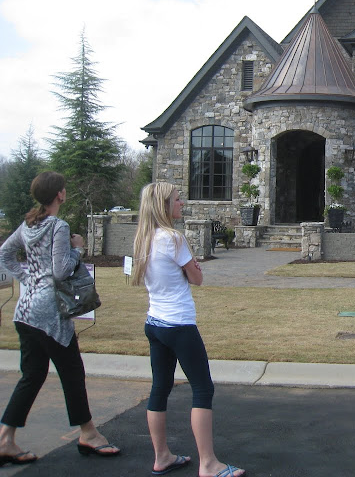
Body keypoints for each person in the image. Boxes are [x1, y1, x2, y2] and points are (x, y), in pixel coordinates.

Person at [0, 171, 120, 466]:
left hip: (25, 311)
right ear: (60, 195)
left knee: (32, 375)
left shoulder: (28, 225)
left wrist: (27, 279)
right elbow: (60, 270)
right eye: (64, 189)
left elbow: (4, 254)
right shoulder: (58, 226)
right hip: (49, 314)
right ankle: (88, 434)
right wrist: (78, 249)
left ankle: (5, 439)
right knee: (72, 372)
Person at [132, 182, 245, 477]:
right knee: (203, 388)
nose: (181, 203)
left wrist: (188, 268)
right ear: (164, 205)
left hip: (154, 323)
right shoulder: (174, 238)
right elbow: (197, 278)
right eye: (177, 199)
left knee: (160, 388)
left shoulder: (144, 239)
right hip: (178, 324)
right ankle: (208, 463)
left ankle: (162, 457)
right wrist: (192, 267)